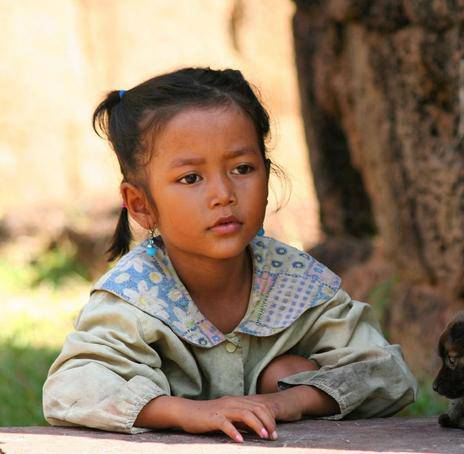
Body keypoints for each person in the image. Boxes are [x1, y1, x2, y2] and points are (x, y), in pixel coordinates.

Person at [42, 67, 417, 442]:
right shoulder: (134, 295)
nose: (223, 193)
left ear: (267, 178)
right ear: (140, 204)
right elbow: (70, 388)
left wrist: (289, 400)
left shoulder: (294, 280)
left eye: (242, 168)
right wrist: (186, 412)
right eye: (191, 178)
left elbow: (387, 372)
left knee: (284, 369)